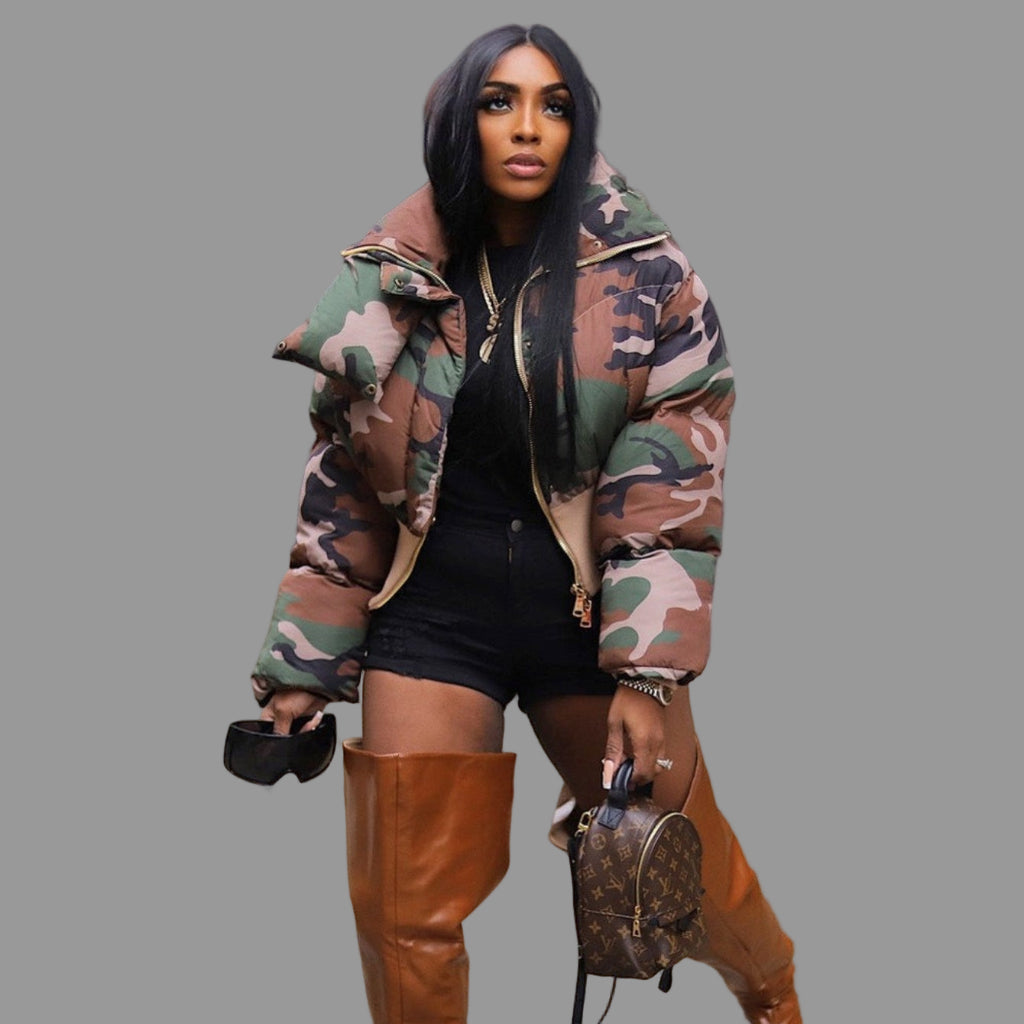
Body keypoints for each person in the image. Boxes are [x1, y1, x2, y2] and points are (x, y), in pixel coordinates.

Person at [247, 23, 801, 1024]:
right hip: (431, 613)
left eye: (555, 105)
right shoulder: (389, 278)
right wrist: (304, 666)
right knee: (402, 910)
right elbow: (343, 480)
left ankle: (771, 991)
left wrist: (646, 673)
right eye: (499, 101)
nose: (528, 126)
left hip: (583, 618)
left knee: (683, 873)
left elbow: (672, 483)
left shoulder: (648, 275)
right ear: (457, 124)